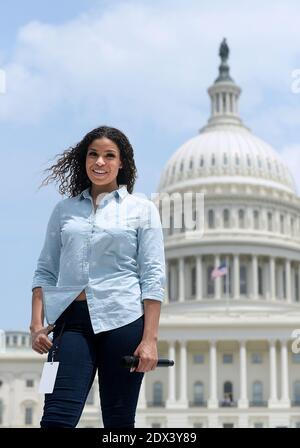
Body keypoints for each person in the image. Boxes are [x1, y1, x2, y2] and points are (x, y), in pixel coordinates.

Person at [30, 125, 166, 428]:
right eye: (93, 155)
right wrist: (37, 324)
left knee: (118, 422)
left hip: (123, 321)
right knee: (56, 418)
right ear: (85, 160)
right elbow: (45, 269)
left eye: (109, 155)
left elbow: (153, 275)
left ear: (122, 163)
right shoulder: (64, 210)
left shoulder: (142, 209)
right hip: (72, 323)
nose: (100, 162)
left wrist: (150, 340)